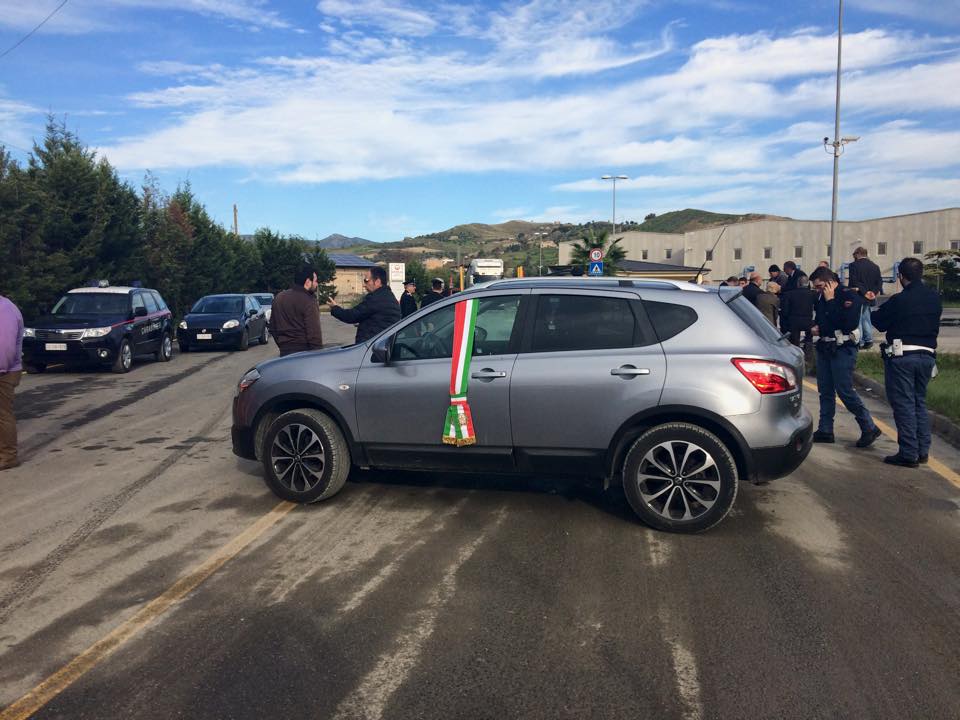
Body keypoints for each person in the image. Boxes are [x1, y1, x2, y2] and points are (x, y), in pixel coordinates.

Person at [870, 257, 942, 468]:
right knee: (919, 403)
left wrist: (872, 303)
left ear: (901, 276)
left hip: (903, 357)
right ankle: (922, 451)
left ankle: (908, 452)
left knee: (904, 405)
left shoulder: (900, 299)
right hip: (927, 356)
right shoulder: (934, 298)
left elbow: (880, 322)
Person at [809, 266, 881, 448]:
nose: (817, 290)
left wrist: (831, 300)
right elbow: (823, 319)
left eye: (819, 286)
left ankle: (868, 426)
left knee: (844, 390)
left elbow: (846, 323)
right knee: (825, 390)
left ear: (830, 282)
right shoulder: (821, 298)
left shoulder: (848, 296)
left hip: (843, 348)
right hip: (826, 346)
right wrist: (816, 326)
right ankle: (825, 429)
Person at [329, 265, 401, 343]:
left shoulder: (376, 299)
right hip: (383, 346)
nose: (364, 284)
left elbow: (352, 315)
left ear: (377, 282)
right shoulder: (389, 296)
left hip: (372, 349)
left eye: (366, 280)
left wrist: (335, 308)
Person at [269, 266, 324, 356]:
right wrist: (318, 355)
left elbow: (272, 327)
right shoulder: (309, 301)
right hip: (305, 355)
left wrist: (283, 345)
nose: (316, 284)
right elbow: (314, 334)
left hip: (284, 353)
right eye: (315, 281)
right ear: (307, 281)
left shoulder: (279, 297)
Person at [0, 294, 24, 471]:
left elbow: (4, 347)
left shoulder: (5, 309)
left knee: (2, 415)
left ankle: (8, 457)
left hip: (4, 372)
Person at [847, 246, 883, 349]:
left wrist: (864, 292)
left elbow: (854, 281)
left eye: (854, 255)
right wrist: (873, 292)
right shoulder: (875, 266)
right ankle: (869, 339)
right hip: (870, 297)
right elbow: (879, 281)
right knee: (866, 318)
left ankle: (859, 340)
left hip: (858, 295)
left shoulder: (853, 266)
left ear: (858, 254)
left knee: (857, 319)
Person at [781, 275, 816, 346]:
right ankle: (809, 350)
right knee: (809, 340)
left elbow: (785, 310)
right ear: (808, 283)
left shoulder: (789, 294)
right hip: (808, 320)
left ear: (798, 283)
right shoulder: (813, 294)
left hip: (793, 321)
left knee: (794, 343)